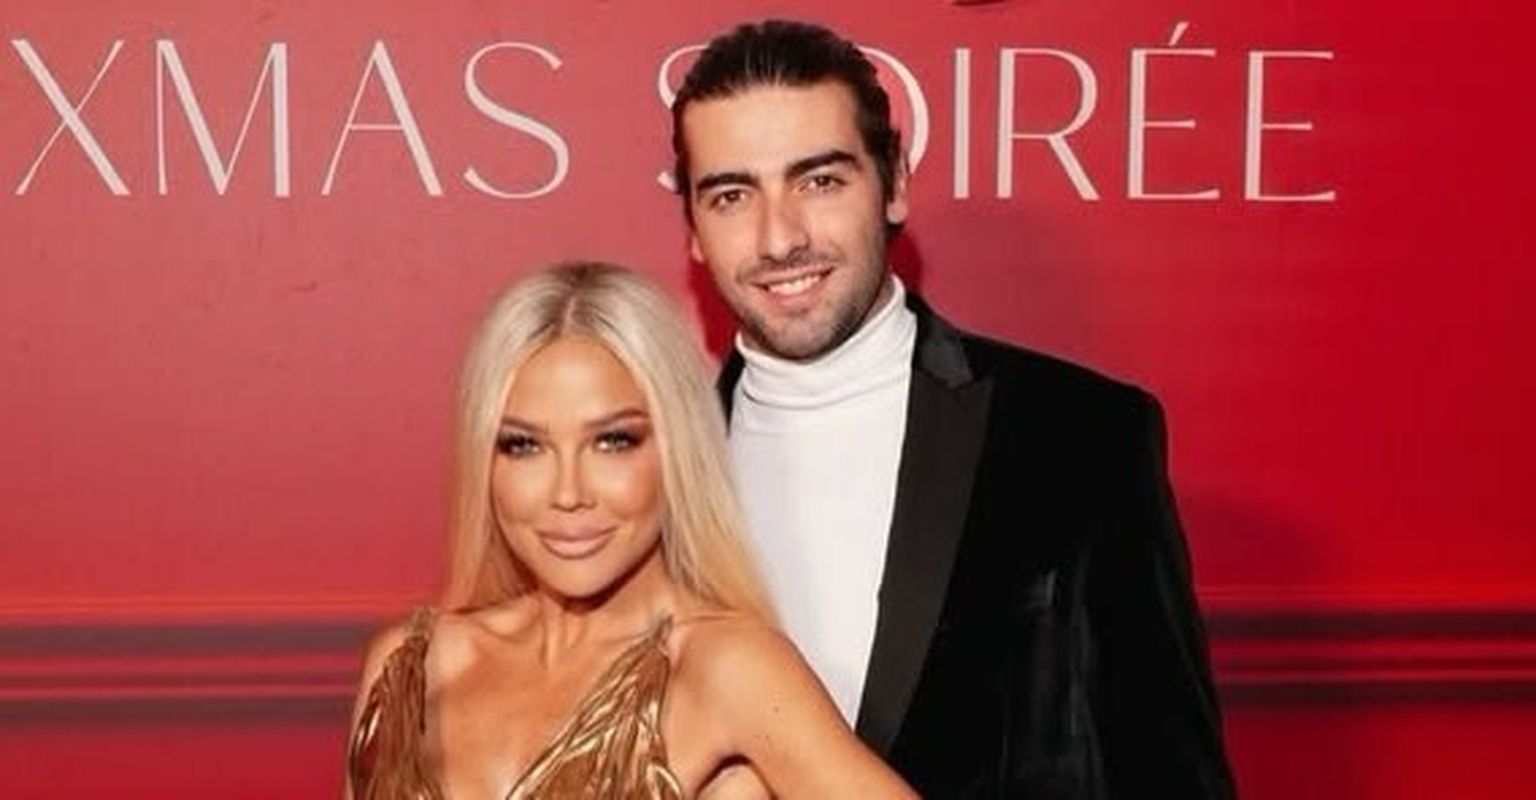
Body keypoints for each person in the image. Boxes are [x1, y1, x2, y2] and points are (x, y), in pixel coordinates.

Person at [671, 19, 1237, 798]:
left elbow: (1175, 775)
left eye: (820, 181)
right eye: (733, 195)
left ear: (895, 183)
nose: (780, 238)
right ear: (694, 229)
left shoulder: (1082, 438)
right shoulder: (650, 477)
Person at [344, 262, 914, 799]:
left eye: (613, 441)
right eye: (524, 445)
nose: (568, 493)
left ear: (676, 449)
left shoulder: (725, 669)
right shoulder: (410, 666)